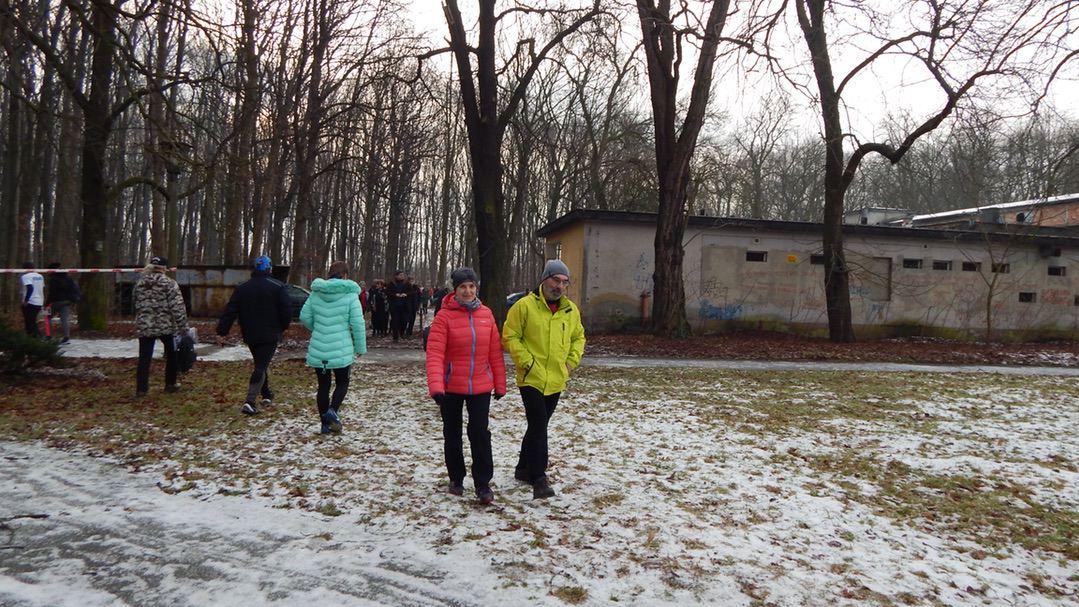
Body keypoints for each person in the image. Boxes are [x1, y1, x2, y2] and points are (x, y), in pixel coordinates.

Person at [502, 259, 586, 499]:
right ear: (544, 279)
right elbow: (510, 336)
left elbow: (579, 338)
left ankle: (522, 468)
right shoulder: (524, 306)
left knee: (538, 425)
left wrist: (570, 362)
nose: (559, 286)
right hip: (531, 378)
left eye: (564, 282)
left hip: (557, 378)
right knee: (539, 424)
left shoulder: (570, 310)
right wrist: (527, 362)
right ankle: (539, 477)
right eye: (555, 280)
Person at [425, 268, 506, 504]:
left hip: (481, 385)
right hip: (451, 386)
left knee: (480, 433)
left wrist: (500, 383)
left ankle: (483, 483)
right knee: (452, 434)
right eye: (463, 287)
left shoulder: (486, 314)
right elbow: (435, 353)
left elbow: (494, 352)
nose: (468, 291)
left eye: (471, 286)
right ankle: (456, 479)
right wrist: (436, 386)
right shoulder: (444, 317)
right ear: (455, 290)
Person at [216, 255, 293, 416]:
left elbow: (230, 311)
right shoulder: (278, 287)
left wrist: (222, 331)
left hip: (250, 333)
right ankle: (250, 401)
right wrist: (283, 327)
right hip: (270, 333)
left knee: (260, 363)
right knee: (261, 365)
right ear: (269, 268)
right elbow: (286, 310)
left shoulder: (242, 288)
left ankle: (266, 394)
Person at [300, 261, 366, 434]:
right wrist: (360, 347)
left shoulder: (316, 293)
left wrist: (317, 328)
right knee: (343, 382)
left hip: (319, 346)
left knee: (323, 386)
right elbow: (358, 324)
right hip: (341, 347)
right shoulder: (350, 295)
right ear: (345, 275)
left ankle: (324, 425)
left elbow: (304, 316)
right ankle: (333, 410)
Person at [133, 256, 188, 397]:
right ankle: (170, 383)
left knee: (144, 358)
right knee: (172, 354)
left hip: (145, 325)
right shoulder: (169, 283)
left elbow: (135, 302)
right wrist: (183, 327)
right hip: (166, 326)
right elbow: (177, 307)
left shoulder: (140, 283)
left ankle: (141, 389)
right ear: (165, 268)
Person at [45, 262, 80, 343]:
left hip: (55, 301)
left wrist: (47, 304)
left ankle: (48, 335)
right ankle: (66, 336)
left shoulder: (53, 279)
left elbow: (52, 293)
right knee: (64, 319)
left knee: (46, 316)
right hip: (67, 301)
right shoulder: (68, 278)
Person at [19, 262, 45, 337]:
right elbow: (41, 287)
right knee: (32, 321)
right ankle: (33, 337)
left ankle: (36, 337)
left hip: (30, 302)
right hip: (39, 301)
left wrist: (26, 300)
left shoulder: (25, 276)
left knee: (29, 322)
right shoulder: (40, 276)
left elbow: (30, 288)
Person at [388, 270, 410, 341]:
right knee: (395, 321)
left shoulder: (407, 284)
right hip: (395, 306)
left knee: (404, 320)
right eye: (400, 275)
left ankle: (402, 333)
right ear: (396, 276)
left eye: (403, 275)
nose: (402, 276)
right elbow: (388, 292)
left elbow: (412, 292)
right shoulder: (392, 284)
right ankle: (395, 336)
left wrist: (406, 294)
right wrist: (395, 294)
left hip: (404, 305)